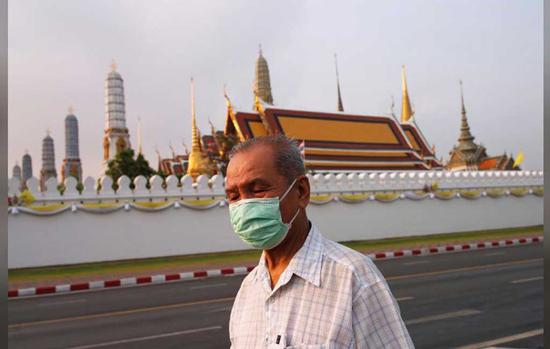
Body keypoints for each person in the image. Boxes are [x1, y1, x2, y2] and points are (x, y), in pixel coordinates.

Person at [226, 135, 414, 348]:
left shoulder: (353, 278)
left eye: (258, 190)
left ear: (301, 191)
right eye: (233, 196)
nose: (244, 205)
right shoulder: (248, 290)